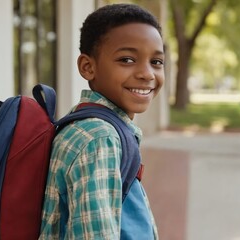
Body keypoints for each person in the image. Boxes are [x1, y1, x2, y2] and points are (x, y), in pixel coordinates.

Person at [39, 4, 164, 239]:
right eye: (127, 59)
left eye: (156, 62)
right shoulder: (99, 138)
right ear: (88, 67)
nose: (147, 73)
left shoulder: (91, 125)